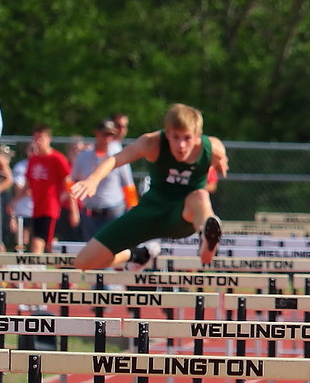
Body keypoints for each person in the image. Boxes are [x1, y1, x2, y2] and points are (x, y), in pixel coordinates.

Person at [71, 103, 227, 270]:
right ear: (167, 134)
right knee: (84, 262)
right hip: (149, 212)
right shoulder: (152, 143)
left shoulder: (211, 148)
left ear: (198, 136)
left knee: (200, 196)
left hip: (182, 216)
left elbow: (221, 153)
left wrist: (222, 161)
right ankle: (136, 254)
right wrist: (93, 180)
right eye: (175, 137)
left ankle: (207, 239)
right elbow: (116, 159)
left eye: (187, 138)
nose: (181, 145)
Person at [8, 126, 78, 253]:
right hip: (37, 208)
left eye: (41, 138)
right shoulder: (34, 160)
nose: (38, 142)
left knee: (41, 242)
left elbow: (68, 183)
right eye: (35, 139)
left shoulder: (57, 158)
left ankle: (40, 269)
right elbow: (28, 185)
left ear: (49, 139)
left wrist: (74, 209)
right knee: (42, 242)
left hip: (51, 208)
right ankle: (40, 268)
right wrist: (14, 201)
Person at [71, 119, 138, 241]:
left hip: (114, 212)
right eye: (105, 134)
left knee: (113, 250)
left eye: (111, 135)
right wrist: (74, 209)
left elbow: (128, 186)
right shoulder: (83, 157)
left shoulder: (118, 156)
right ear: (96, 133)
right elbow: (72, 182)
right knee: (91, 252)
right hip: (90, 213)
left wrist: (132, 213)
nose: (108, 138)